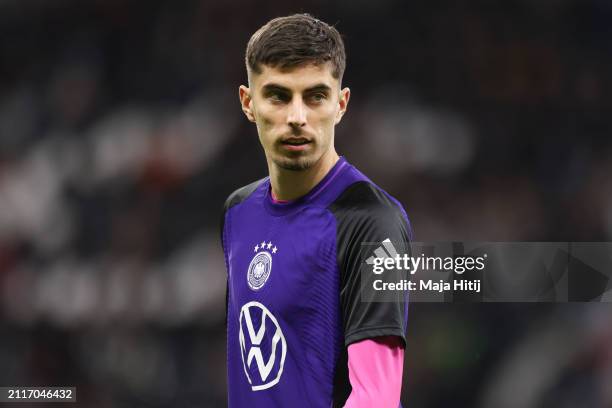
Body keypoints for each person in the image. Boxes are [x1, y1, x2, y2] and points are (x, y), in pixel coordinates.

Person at [221, 13, 412, 407]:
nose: (296, 117)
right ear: (248, 102)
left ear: (340, 104)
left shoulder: (372, 222)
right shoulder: (237, 212)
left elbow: (377, 398)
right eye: (278, 95)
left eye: (315, 96)